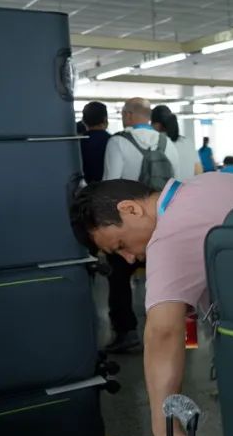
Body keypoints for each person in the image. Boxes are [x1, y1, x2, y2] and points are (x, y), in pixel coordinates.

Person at [69, 173, 233, 436]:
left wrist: (167, 432)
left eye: (120, 245)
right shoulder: (217, 181)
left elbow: (162, 333)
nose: (129, 258)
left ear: (130, 209)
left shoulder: (168, 236)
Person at [101, 98, 182, 353]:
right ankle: (173, 331)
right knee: (166, 281)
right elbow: (176, 185)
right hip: (164, 225)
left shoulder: (118, 142)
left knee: (119, 279)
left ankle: (126, 332)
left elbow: (108, 187)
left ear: (127, 115)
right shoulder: (167, 143)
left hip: (129, 229)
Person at [151, 105, 200, 181]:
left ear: (157, 125)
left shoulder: (156, 144)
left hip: (168, 188)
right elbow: (198, 171)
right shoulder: (187, 142)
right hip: (189, 187)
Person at [79, 101, 110, 184]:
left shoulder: (77, 142)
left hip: (86, 187)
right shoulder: (113, 141)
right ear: (105, 119)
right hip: (108, 186)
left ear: (83, 120)